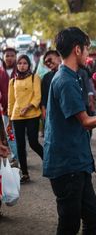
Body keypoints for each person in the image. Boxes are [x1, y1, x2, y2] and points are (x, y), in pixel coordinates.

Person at [43, 27, 96, 235]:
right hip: (67, 166)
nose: (89, 53)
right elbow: (85, 122)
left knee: (93, 220)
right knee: (69, 226)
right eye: (87, 49)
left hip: (77, 164)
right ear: (77, 49)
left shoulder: (73, 76)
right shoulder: (65, 81)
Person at [7, 54, 43, 184]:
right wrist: (10, 120)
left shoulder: (35, 78)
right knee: (20, 146)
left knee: (33, 142)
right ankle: (25, 174)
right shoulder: (13, 81)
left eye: (25, 63)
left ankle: (49, 163)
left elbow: (37, 96)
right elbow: (11, 101)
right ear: (17, 65)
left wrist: (27, 107)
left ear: (29, 65)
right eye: (20, 63)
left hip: (32, 114)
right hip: (17, 116)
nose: (22, 66)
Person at [0, 47, 18, 167]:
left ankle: (20, 156)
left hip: (20, 110)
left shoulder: (20, 70)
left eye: (12, 55)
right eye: (7, 55)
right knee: (10, 134)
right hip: (6, 109)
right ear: (3, 57)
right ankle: (16, 158)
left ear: (15, 57)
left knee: (20, 135)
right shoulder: (1, 72)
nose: (9, 58)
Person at [41, 50, 61, 120]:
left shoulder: (69, 72)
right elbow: (44, 96)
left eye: (50, 59)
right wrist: (43, 110)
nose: (48, 63)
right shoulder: (46, 77)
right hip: (52, 112)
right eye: (46, 62)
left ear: (59, 58)